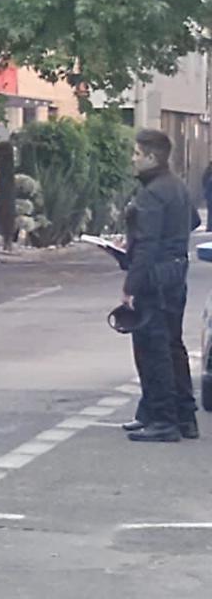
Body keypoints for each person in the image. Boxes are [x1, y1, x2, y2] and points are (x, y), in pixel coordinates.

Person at [120, 129, 198, 443]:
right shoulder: (177, 186)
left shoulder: (151, 193)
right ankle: (183, 417)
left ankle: (163, 420)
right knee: (173, 345)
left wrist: (130, 285)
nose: (133, 159)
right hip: (176, 274)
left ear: (152, 157)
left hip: (154, 277)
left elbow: (147, 245)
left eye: (137, 153)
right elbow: (191, 221)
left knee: (154, 349)